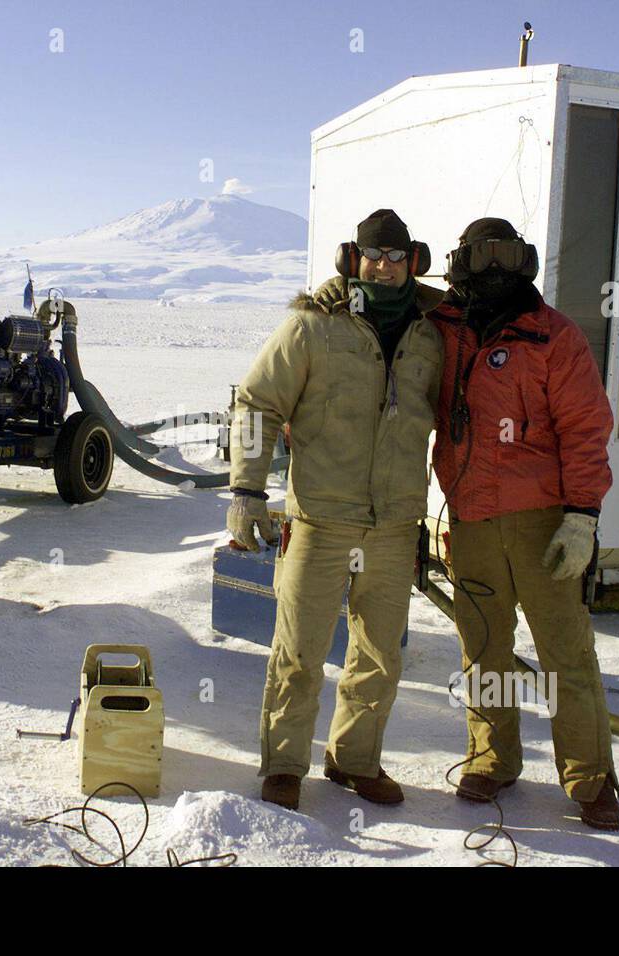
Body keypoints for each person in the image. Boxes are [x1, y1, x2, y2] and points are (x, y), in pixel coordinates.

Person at [227, 209, 444, 811]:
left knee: (379, 653)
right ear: (355, 259)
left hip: (394, 525)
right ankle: (285, 765)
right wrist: (247, 492)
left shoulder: (431, 333)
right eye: (374, 255)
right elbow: (255, 404)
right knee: (298, 651)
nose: (384, 266)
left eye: (396, 257)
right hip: (320, 520)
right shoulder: (313, 326)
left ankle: (354, 760)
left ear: (412, 262)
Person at [428, 217, 619, 831]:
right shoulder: (443, 330)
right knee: (484, 646)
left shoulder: (552, 336)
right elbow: (387, 299)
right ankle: (492, 758)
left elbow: (586, 428)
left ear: (526, 260)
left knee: (565, 651)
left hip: (543, 523)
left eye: (505, 254)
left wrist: (582, 517)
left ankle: (591, 779)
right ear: (459, 261)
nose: (494, 268)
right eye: (481, 254)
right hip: (473, 519)